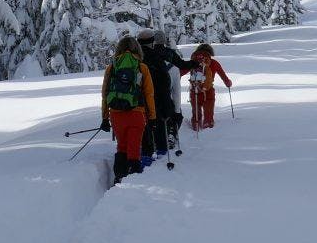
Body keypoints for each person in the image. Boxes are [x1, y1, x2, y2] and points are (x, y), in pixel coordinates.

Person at [99, 35, 156, 183]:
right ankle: (132, 180)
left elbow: (105, 93)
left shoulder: (112, 67)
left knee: (122, 146)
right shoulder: (141, 67)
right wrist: (152, 117)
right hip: (136, 113)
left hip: (116, 114)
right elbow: (149, 94)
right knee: (134, 147)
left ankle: (119, 177)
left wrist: (105, 117)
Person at [134, 29, 196, 166]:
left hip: (137, 101)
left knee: (144, 127)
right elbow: (168, 82)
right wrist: (173, 108)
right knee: (161, 122)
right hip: (158, 99)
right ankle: (161, 152)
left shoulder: (134, 57)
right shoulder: (162, 56)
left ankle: (141, 155)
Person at [182, 43, 232, 130]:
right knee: (208, 114)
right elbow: (223, 76)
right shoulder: (214, 63)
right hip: (208, 91)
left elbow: (181, 72)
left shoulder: (192, 62)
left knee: (196, 113)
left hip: (195, 91)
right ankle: (208, 127)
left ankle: (196, 125)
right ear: (210, 53)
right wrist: (228, 83)